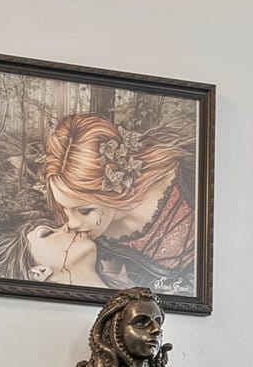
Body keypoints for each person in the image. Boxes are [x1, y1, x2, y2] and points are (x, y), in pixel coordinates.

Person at [25, 113, 196, 291]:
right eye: (65, 209)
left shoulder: (188, 175)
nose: (72, 223)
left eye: (84, 211)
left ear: (114, 187)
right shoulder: (95, 247)